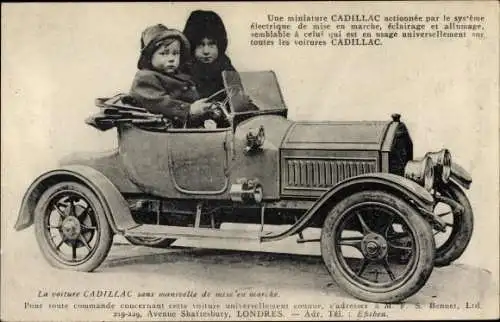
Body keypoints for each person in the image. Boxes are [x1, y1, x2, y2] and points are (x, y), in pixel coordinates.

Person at [129, 24, 212, 128]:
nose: (171, 58)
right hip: (163, 131)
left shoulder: (180, 76)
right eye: (164, 53)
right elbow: (159, 103)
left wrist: (205, 110)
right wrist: (189, 109)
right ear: (150, 57)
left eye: (175, 53)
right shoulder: (145, 78)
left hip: (185, 126)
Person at [182, 10, 236, 98]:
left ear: (220, 45)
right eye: (200, 44)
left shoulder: (225, 64)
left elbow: (237, 98)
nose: (206, 51)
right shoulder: (184, 67)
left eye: (211, 44)